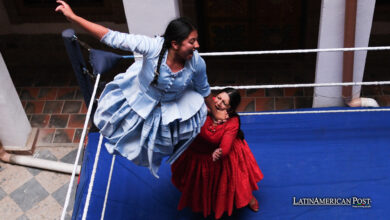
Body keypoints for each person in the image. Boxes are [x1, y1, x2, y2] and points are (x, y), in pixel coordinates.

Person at [55, 1, 221, 178]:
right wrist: (73, 18)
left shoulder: (197, 63)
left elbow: (203, 88)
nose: (197, 46)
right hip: (140, 98)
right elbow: (112, 37)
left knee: (163, 144)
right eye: (192, 41)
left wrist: (216, 112)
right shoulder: (152, 47)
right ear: (175, 44)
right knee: (129, 138)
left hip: (171, 106)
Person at [171, 88, 264, 219]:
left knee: (237, 184)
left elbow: (225, 149)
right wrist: (209, 111)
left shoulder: (232, 122)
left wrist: (219, 151)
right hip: (195, 154)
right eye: (218, 98)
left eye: (224, 102)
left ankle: (248, 198)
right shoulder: (204, 105)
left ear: (230, 109)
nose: (218, 102)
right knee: (197, 187)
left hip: (219, 159)